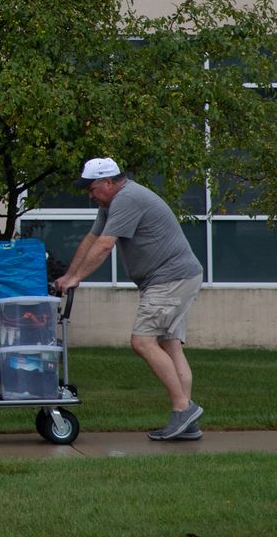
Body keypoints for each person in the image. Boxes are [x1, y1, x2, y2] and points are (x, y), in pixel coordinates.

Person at [54, 157, 206, 441]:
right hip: (176, 278)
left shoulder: (127, 199)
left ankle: (183, 408)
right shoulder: (112, 203)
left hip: (169, 279)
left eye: (92, 188)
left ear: (109, 182)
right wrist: (69, 275)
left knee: (142, 341)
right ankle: (188, 422)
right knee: (170, 346)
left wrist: (79, 278)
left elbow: (104, 245)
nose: (89, 194)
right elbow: (91, 238)